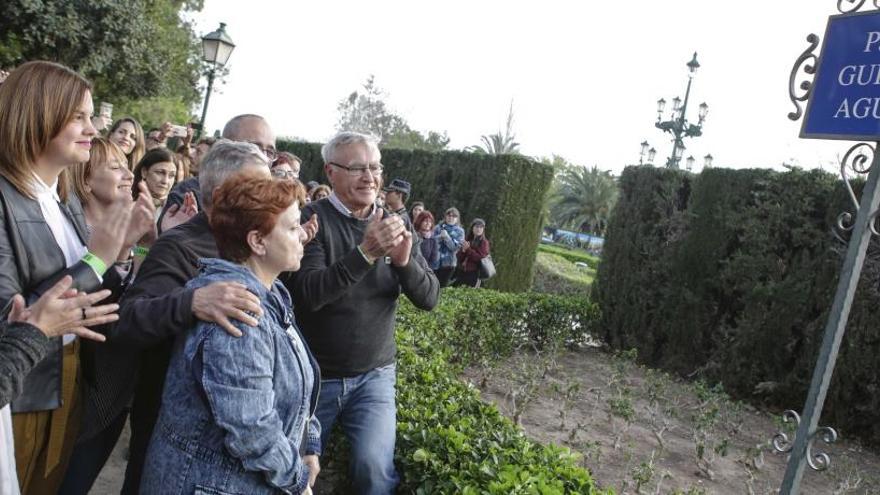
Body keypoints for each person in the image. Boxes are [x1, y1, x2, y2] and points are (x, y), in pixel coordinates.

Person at [113, 139, 317, 494]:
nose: (265, 192)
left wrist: (308, 444)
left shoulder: (272, 289)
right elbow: (125, 320)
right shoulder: (221, 285)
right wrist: (190, 302)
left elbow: (293, 379)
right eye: (256, 187)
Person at [0, 60, 133, 495]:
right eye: (79, 116)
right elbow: (13, 315)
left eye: (92, 116)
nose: (93, 129)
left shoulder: (64, 199)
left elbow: (89, 295)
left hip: (69, 381)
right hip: (21, 396)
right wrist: (98, 260)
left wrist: (121, 255)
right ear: (37, 114)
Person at [288, 131, 439, 494]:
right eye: (357, 168)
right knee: (291, 472)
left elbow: (430, 297)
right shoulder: (310, 220)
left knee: (374, 471)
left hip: (374, 377)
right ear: (331, 172)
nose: (369, 177)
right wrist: (366, 254)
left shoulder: (395, 225)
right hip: (313, 378)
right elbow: (308, 294)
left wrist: (404, 263)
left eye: (375, 167)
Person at [58, 138, 157, 495]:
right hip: (79, 389)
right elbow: (91, 305)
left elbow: (138, 286)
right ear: (85, 181)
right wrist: (118, 255)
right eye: (115, 167)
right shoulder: (69, 234)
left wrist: (149, 242)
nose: (129, 173)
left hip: (115, 390)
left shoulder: (126, 228)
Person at [160, 114, 278, 229]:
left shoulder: (276, 204)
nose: (265, 158)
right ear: (225, 146)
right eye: (254, 147)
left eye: (270, 151)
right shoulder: (188, 195)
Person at [132, 148, 178, 222]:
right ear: (144, 172)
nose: (165, 181)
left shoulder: (177, 210)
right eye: (160, 172)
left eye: (171, 175)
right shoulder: (126, 204)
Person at [453, 218, 491, 288]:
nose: (478, 229)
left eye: (481, 227)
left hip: (475, 274)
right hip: (462, 271)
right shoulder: (468, 240)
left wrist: (468, 250)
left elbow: (480, 258)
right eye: (476, 226)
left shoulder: (484, 242)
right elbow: (459, 258)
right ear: (472, 228)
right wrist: (463, 251)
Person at [433, 207, 465, 287]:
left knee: (442, 287)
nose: (451, 218)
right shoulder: (438, 227)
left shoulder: (460, 231)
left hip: (448, 264)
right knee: (431, 286)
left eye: (454, 216)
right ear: (445, 216)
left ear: (457, 219)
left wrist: (447, 237)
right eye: (449, 215)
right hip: (434, 262)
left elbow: (454, 248)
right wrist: (440, 237)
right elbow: (431, 242)